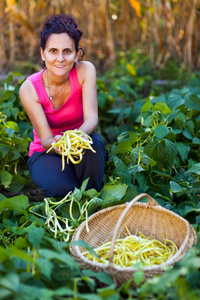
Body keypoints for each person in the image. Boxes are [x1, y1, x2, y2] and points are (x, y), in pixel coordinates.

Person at [19, 14, 107, 198]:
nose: (60, 58)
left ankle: (93, 202)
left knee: (94, 148)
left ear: (76, 54)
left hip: (82, 142)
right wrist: (59, 144)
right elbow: (45, 139)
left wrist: (76, 139)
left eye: (67, 51)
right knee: (63, 190)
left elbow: (91, 119)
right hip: (48, 151)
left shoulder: (85, 71)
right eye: (53, 51)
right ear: (42, 54)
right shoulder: (29, 89)